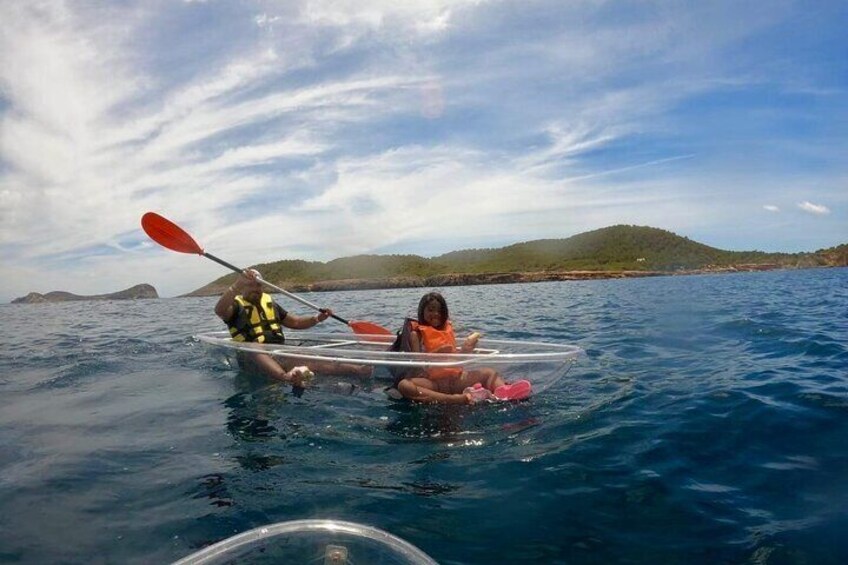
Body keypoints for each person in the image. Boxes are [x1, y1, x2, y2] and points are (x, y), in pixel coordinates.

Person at [214, 268, 364, 387]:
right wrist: (236, 285)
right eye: (250, 285)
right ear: (242, 288)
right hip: (251, 359)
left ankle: (359, 370)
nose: (255, 288)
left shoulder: (270, 303)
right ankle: (286, 377)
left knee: (313, 359)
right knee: (253, 346)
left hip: (278, 353)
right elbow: (219, 310)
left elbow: (295, 322)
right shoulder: (234, 306)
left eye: (258, 285)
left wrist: (317, 318)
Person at [395, 291, 531, 404]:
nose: (436, 314)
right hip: (434, 383)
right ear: (422, 311)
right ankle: (455, 399)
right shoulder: (416, 334)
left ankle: (504, 393)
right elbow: (416, 364)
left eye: (439, 311)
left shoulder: (447, 330)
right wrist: (437, 353)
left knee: (489, 373)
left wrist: (466, 349)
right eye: (431, 310)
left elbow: (456, 357)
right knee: (404, 385)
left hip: (456, 379)